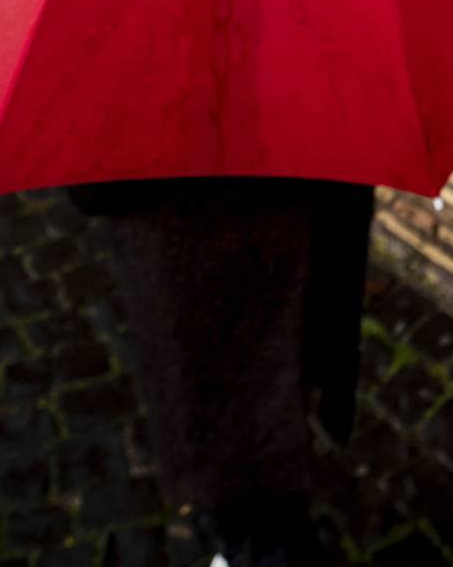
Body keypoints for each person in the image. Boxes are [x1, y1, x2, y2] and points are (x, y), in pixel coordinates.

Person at [66, 176, 374, 567]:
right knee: (266, 475)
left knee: (248, 510)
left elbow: (95, 190)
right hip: (291, 284)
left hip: (197, 319)